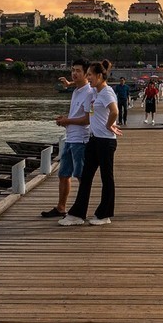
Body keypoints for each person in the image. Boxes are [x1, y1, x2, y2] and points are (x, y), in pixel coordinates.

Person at [61, 60, 123, 226]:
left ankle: (104, 215)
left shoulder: (107, 92)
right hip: (94, 140)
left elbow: (115, 111)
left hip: (106, 141)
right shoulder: (96, 91)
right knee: (86, 176)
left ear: (99, 76)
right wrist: (70, 83)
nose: (88, 77)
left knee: (106, 178)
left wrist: (109, 125)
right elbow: (84, 84)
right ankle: (77, 214)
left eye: (90, 75)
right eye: (87, 74)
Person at [46, 60, 92, 218]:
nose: (74, 73)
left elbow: (87, 120)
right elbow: (76, 114)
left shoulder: (89, 93)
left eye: (78, 71)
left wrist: (67, 121)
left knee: (80, 175)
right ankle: (61, 207)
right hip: (70, 137)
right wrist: (65, 119)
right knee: (63, 174)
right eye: (73, 70)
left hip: (81, 139)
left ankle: (81, 210)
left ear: (86, 74)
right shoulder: (76, 90)